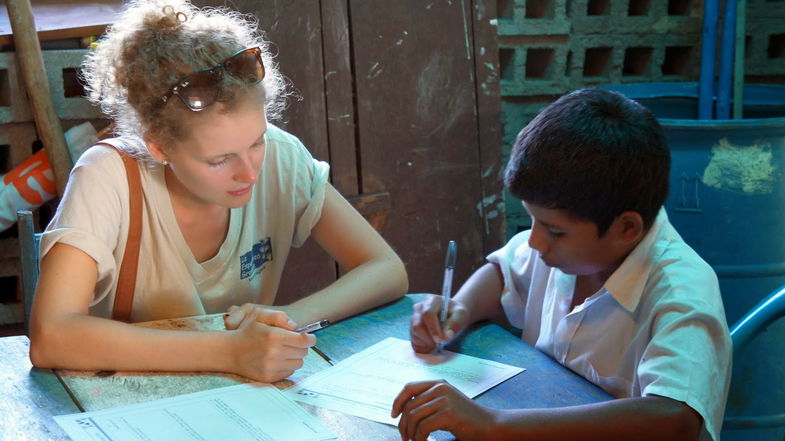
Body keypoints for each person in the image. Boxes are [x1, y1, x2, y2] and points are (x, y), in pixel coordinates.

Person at [28, 0, 407, 383]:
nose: (250, 172)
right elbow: (51, 335)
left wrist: (286, 320)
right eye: (219, 160)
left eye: (257, 142)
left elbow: (387, 269)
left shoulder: (281, 156)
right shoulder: (108, 176)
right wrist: (228, 351)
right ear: (159, 147)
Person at [393, 88, 731, 441]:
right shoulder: (564, 250)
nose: (535, 241)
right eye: (532, 221)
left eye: (554, 230)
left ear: (626, 228)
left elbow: (675, 417)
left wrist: (493, 425)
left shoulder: (682, 293)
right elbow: (502, 274)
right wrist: (458, 308)